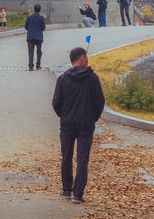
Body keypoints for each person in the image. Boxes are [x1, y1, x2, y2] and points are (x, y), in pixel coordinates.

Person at [52, 47, 105, 204]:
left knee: (66, 156)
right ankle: (78, 194)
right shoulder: (93, 78)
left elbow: (56, 103)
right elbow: (99, 101)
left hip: (67, 124)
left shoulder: (63, 79)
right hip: (86, 124)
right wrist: (93, 117)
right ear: (81, 58)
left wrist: (65, 115)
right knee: (82, 159)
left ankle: (66, 189)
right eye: (86, 57)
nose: (87, 60)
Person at [24, 4, 46, 71]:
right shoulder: (42, 18)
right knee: (39, 51)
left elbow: (26, 26)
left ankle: (31, 66)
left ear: (34, 9)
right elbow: (43, 27)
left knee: (30, 52)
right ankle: (38, 66)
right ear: (40, 10)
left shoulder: (29, 17)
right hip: (39, 37)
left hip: (30, 37)